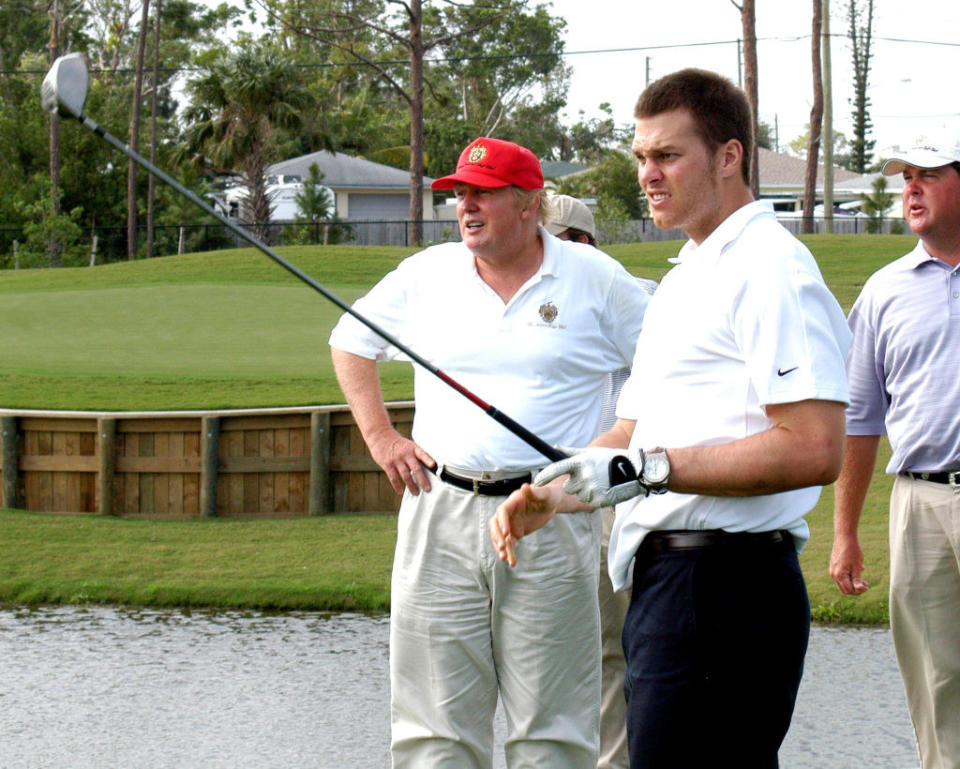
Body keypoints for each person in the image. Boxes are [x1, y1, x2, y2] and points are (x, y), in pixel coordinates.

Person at [489, 68, 852, 769]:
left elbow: (814, 447)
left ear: (728, 156)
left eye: (667, 155)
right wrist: (555, 489)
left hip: (725, 589)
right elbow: (630, 437)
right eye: (640, 157)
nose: (647, 174)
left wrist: (650, 470)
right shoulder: (687, 275)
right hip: (674, 585)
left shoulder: (769, 268)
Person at [329, 137, 651, 769]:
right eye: (459, 194)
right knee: (433, 731)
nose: (466, 206)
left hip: (548, 515)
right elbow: (350, 339)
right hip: (441, 509)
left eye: (483, 193)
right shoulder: (428, 273)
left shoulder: (596, 279)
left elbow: (664, 370)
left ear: (529, 205)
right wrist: (381, 438)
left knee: (552, 730)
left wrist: (612, 448)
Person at [829, 134, 960, 769]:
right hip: (919, 501)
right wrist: (845, 532)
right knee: (937, 681)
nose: (910, 188)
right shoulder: (884, 291)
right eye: (906, 176)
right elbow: (859, 422)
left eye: (928, 174)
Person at [546, 193, 656, 769]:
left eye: (552, 240)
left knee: (620, 648)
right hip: (564, 498)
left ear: (584, 243)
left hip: (630, 492)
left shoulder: (643, 299)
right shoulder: (537, 299)